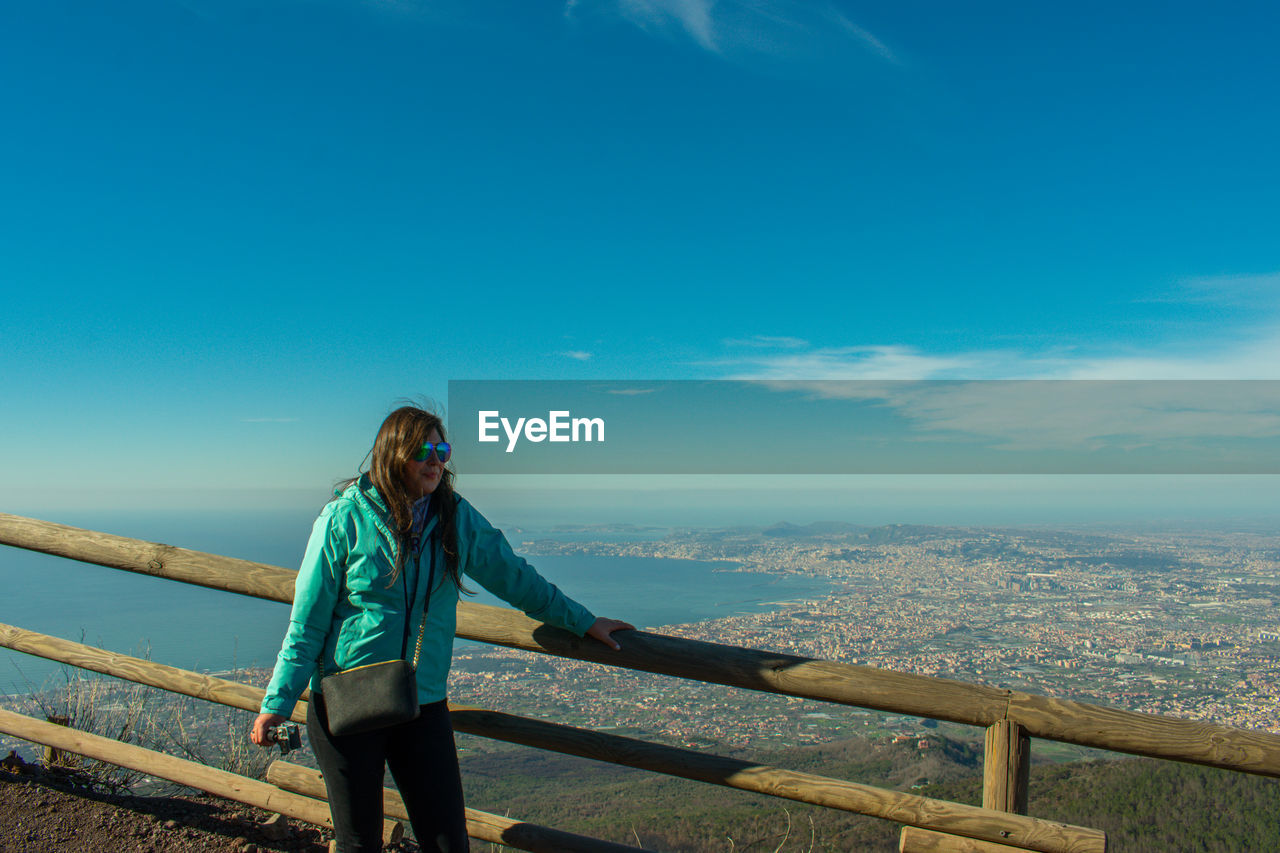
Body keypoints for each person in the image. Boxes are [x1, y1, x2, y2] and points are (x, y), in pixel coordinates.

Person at [250, 404, 633, 852]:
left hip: (421, 700)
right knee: (359, 843)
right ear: (393, 455)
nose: (436, 461)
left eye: (442, 450)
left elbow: (517, 579)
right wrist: (276, 704)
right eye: (423, 451)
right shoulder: (343, 519)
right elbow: (307, 624)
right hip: (345, 701)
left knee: (448, 841)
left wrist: (583, 620)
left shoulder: (455, 518)